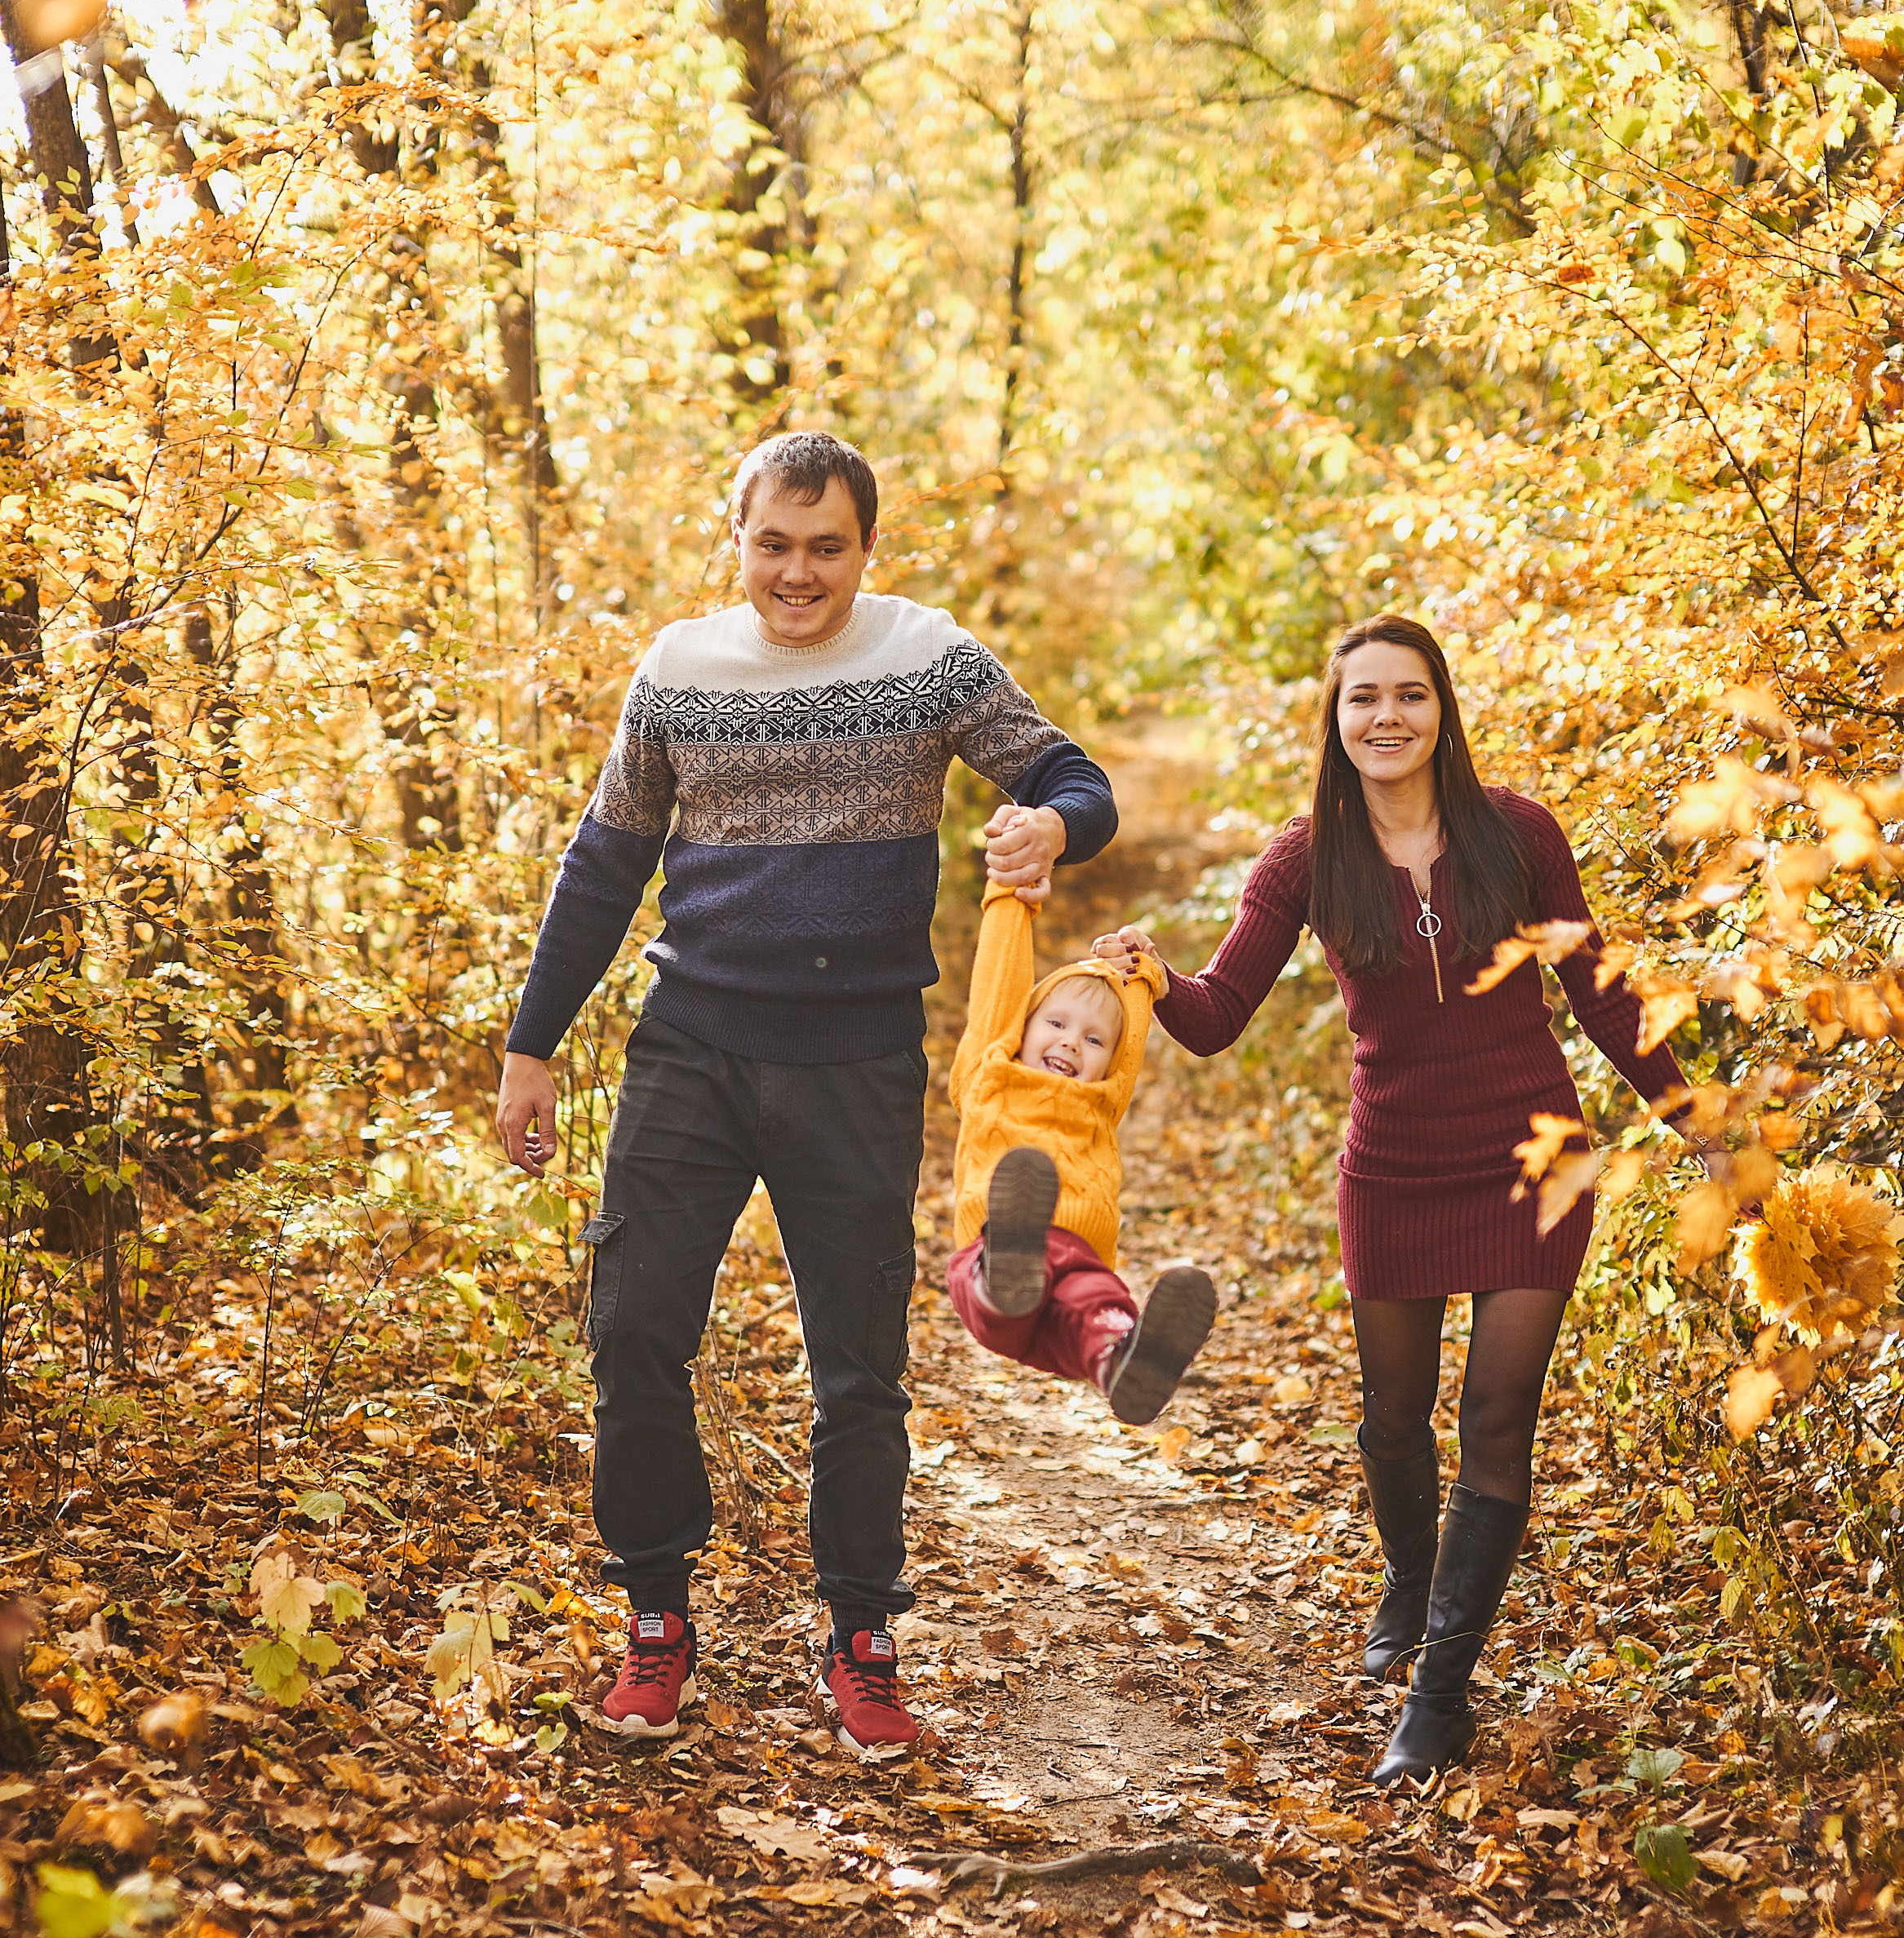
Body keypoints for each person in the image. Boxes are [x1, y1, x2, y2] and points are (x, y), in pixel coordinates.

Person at [495, 431, 1116, 1763]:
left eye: (824, 546)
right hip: (690, 1054)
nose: (797, 571)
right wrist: (530, 1044)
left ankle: (861, 1641)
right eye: (772, 544)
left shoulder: (926, 656)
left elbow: (1074, 778)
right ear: (737, 538)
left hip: (855, 1066)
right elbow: (603, 865)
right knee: (634, 1331)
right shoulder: (677, 671)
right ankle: (655, 1623)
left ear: (863, 548)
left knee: (857, 1370)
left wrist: (1051, 824)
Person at [1094, 614, 1692, 1786]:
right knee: (1390, 1412)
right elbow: (1217, 1018)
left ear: (1441, 709)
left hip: (1532, 1156)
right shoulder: (1303, 858)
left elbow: (1603, 996)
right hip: (1394, 1163)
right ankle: (1409, 1589)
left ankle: (1440, 1691)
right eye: (1362, 698)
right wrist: (1154, 976)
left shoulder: (1517, 835)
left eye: (1408, 696)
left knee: (1499, 1417)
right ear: (1334, 718)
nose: (1385, 717)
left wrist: (1697, 1120)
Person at [947, 843, 1216, 1418]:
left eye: (1094, 1040)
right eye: (1057, 1023)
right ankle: (1007, 1275)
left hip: (1074, 1268)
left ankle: (1122, 1364)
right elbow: (997, 983)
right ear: (1023, 1027)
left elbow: (1130, 1045)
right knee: (1005, 1279)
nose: (1072, 1041)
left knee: (1098, 1303)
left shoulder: (1101, 1099)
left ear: (1108, 1061)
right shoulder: (990, 1074)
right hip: (990, 1256)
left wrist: (1141, 977)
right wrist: (1010, 900)